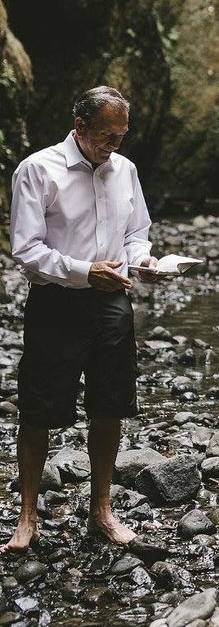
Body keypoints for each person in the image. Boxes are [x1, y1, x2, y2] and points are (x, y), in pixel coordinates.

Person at [2, 86, 158, 554]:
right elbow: (26, 252)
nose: (116, 144)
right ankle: (27, 519)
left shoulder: (125, 170)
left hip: (112, 302)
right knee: (39, 408)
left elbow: (137, 233)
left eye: (122, 135)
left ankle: (102, 512)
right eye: (107, 136)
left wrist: (143, 262)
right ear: (80, 129)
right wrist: (83, 271)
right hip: (56, 301)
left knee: (110, 404)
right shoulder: (37, 169)